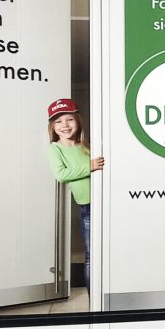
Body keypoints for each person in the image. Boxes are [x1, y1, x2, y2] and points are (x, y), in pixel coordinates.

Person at [46, 99, 104, 290]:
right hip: (88, 206)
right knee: (91, 255)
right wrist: (90, 166)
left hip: (106, 202)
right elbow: (61, 175)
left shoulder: (88, 144)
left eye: (69, 119)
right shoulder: (55, 149)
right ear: (53, 127)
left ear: (78, 121)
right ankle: (93, 299)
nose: (65, 125)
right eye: (59, 121)